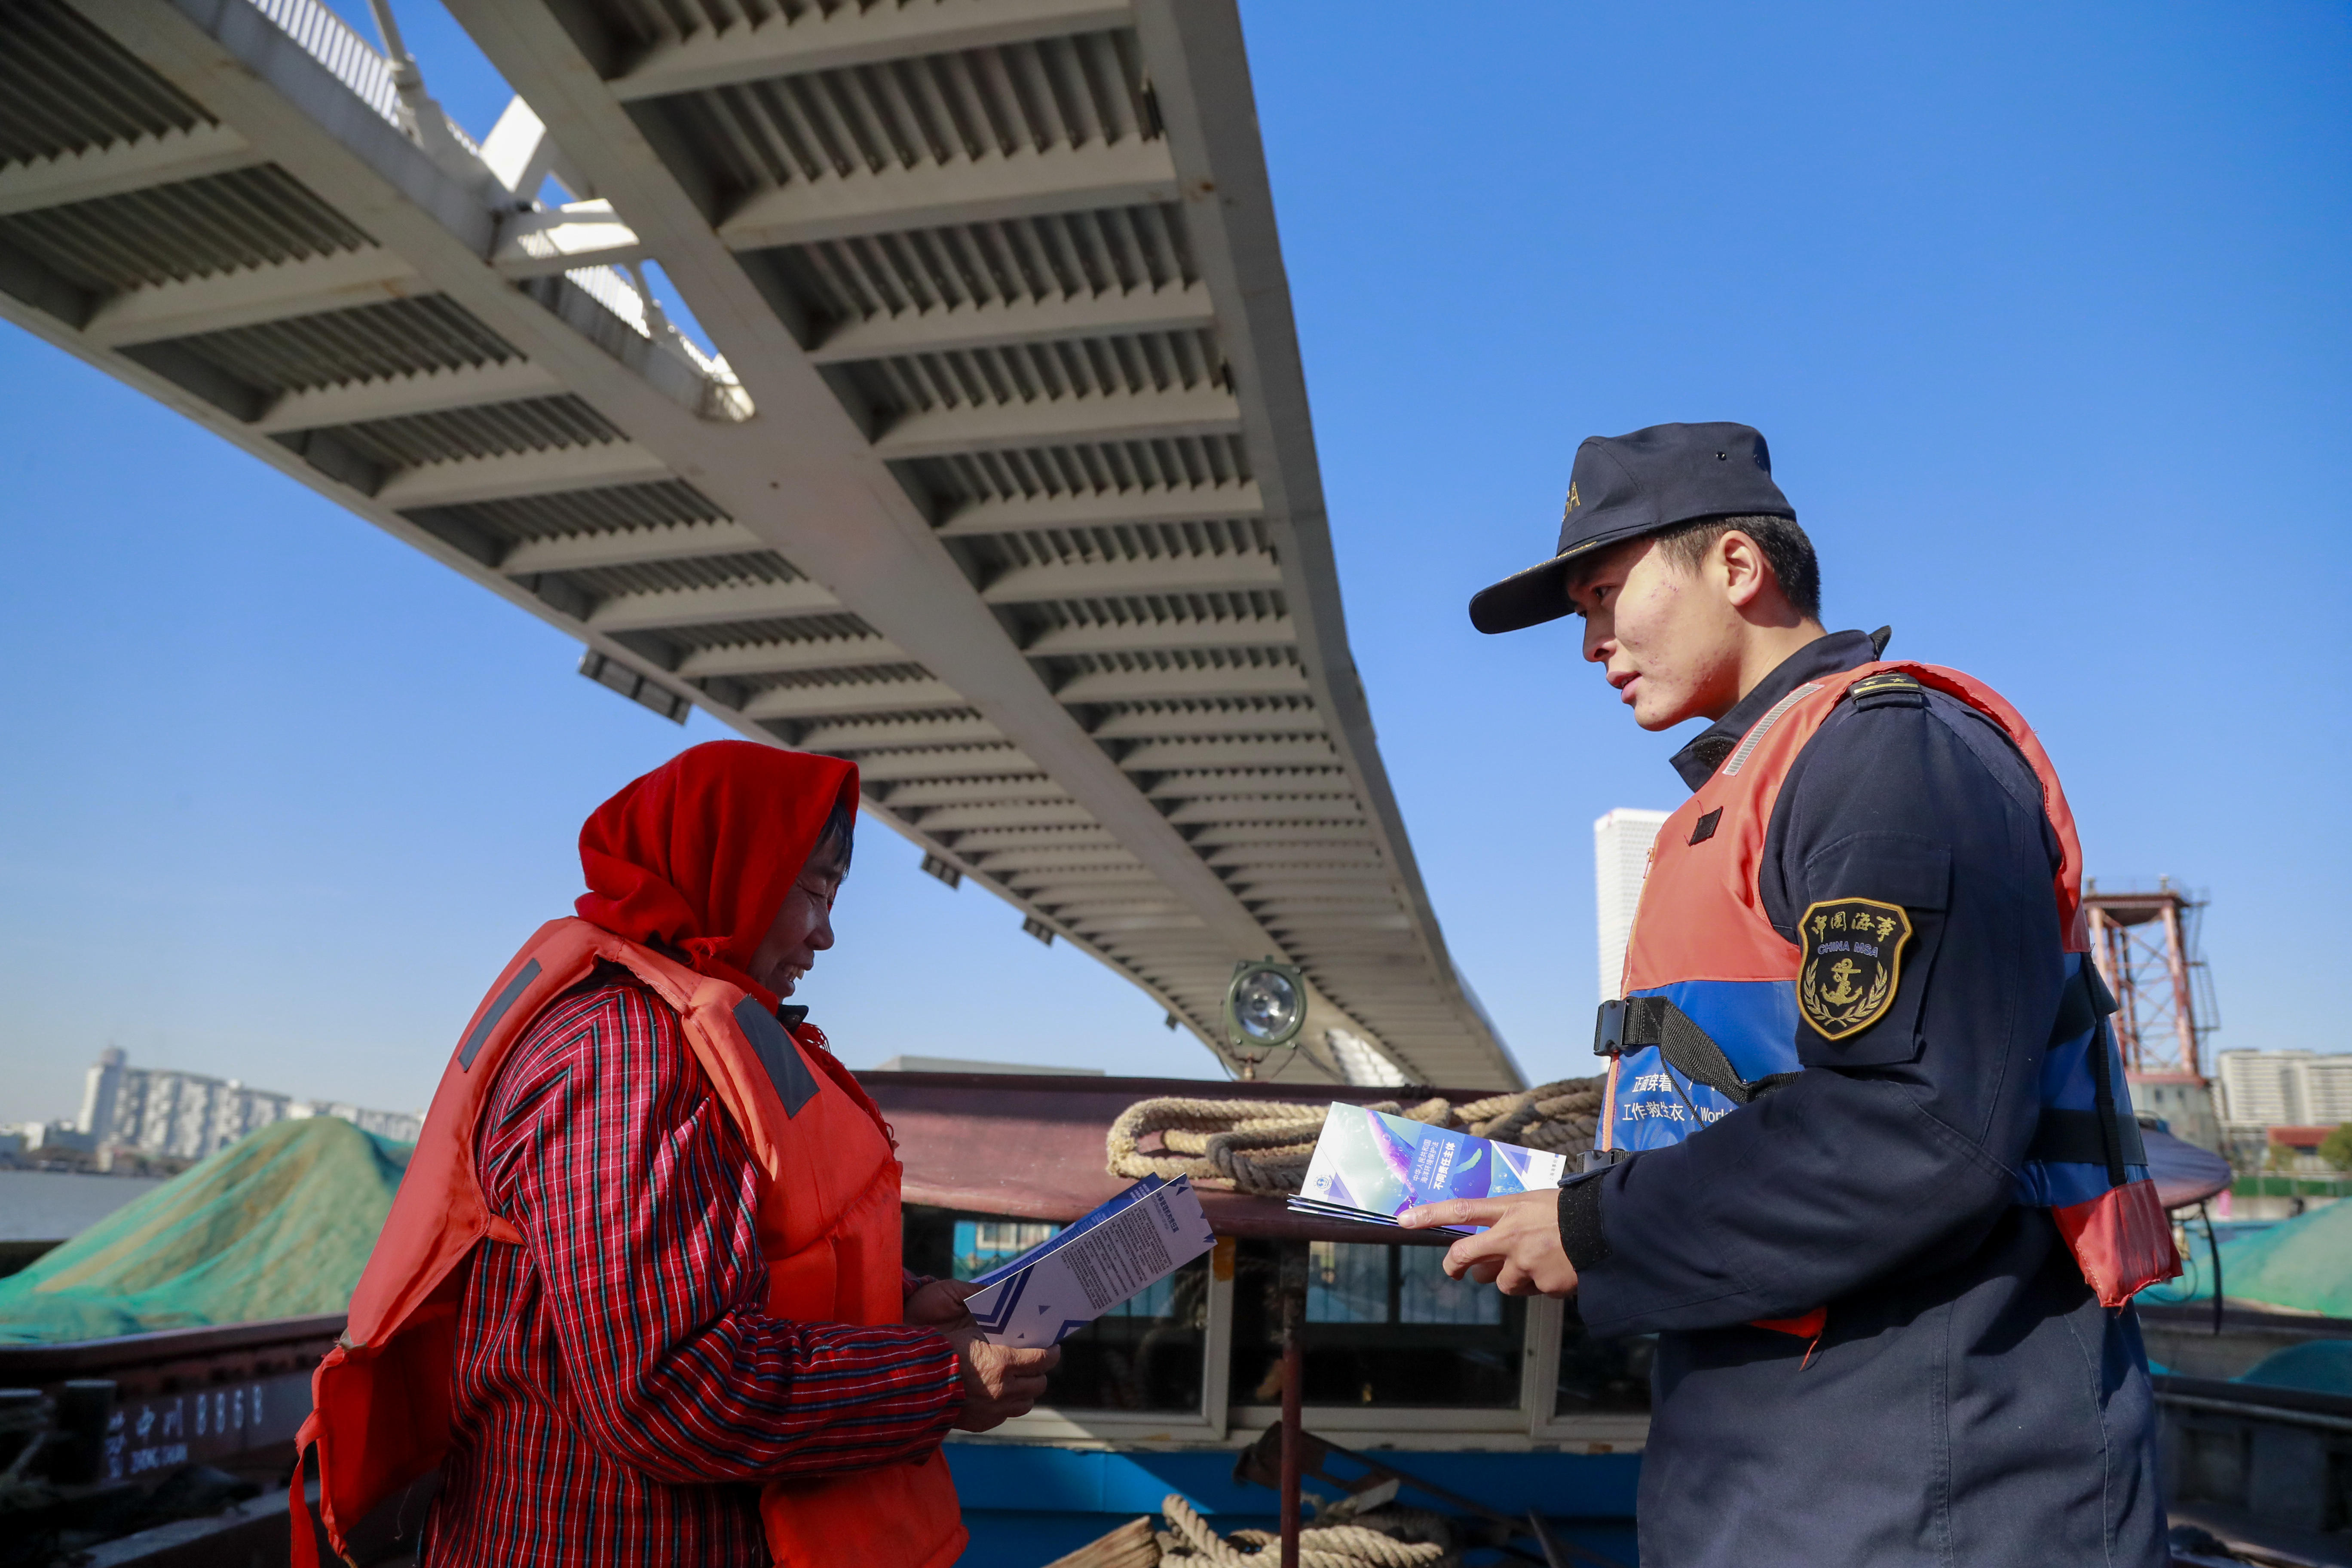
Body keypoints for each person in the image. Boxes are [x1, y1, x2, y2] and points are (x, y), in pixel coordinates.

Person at [1401, 423, 2176, 1567]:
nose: (1589, 642)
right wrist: (1574, 1202)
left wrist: (1595, 1229)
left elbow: (1916, 1124)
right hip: (1787, 1477)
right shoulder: (1766, 784)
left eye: (1607, 592)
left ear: (1735, 566)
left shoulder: (1890, 759)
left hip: (1923, 1492)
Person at [290, 741, 1055, 1568]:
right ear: (735, 866)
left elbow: (731, 1257)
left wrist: (899, 1304)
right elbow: (668, 1385)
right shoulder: (621, 1055)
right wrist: (935, 1378)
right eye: (815, 889)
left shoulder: (670, 1037)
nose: (827, 935)